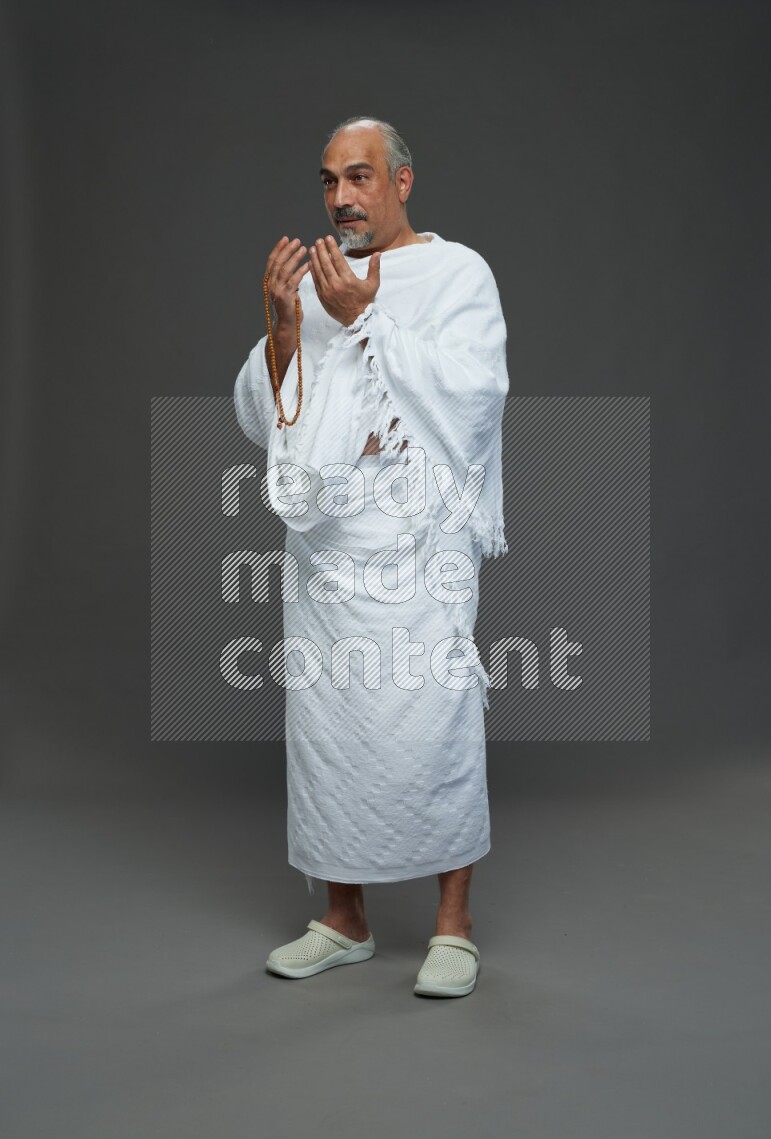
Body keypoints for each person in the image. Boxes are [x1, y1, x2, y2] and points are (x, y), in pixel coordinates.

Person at [233, 116, 509, 997]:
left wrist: (368, 318)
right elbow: (264, 416)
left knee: (436, 717)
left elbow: (475, 397)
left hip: (421, 547)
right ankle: (343, 918)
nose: (342, 197)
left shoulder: (459, 274)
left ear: (402, 182)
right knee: (330, 731)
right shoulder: (314, 284)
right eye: (328, 181)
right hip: (327, 552)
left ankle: (453, 926)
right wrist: (284, 330)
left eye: (359, 177)